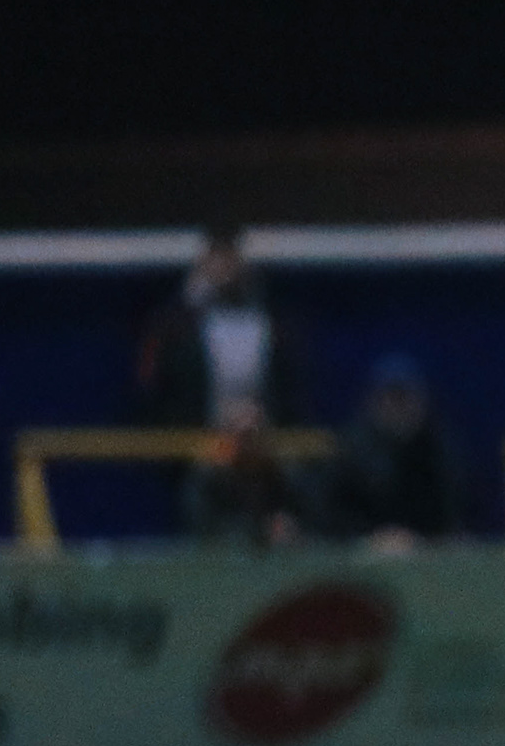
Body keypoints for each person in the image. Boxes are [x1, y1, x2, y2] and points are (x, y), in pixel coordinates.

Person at [137, 225, 304, 429]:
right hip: (194, 442)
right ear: (203, 262)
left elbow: (292, 390)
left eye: (231, 257)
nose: (225, 267)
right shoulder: (176, 327)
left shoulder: (275, 324)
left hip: (261, 440)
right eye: (217, 257)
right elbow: (157, 387)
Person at [323, 354, 461, 549]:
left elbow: (451, 519)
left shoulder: (439, 451)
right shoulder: (350, 453)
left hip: (426, 558)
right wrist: (372, 537)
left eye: (405, 399)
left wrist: (421, 539)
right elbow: (334, 520)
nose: (399, 408)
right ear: (374, 402)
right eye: (391, 399)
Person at [184, 396, 303, 548]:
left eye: (254, 434)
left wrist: (287, 524)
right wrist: (256, 531)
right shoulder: (210, 479)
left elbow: (311, 518)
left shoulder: (283, 474)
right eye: (242, 436)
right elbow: (203, 526)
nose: (248, 444)